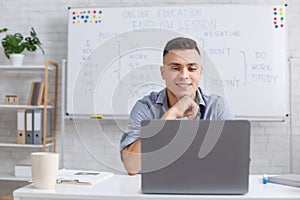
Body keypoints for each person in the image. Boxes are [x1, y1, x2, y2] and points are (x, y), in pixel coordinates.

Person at [120, 37, 234, 175]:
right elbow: (131, 166)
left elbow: (232, 164)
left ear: (200, 73)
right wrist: (170, 115)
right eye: (175, 68)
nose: (184, 75)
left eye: (192, 68)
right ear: (163, 72)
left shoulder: (217, 108)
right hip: (157, 194)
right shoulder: (145, 107)